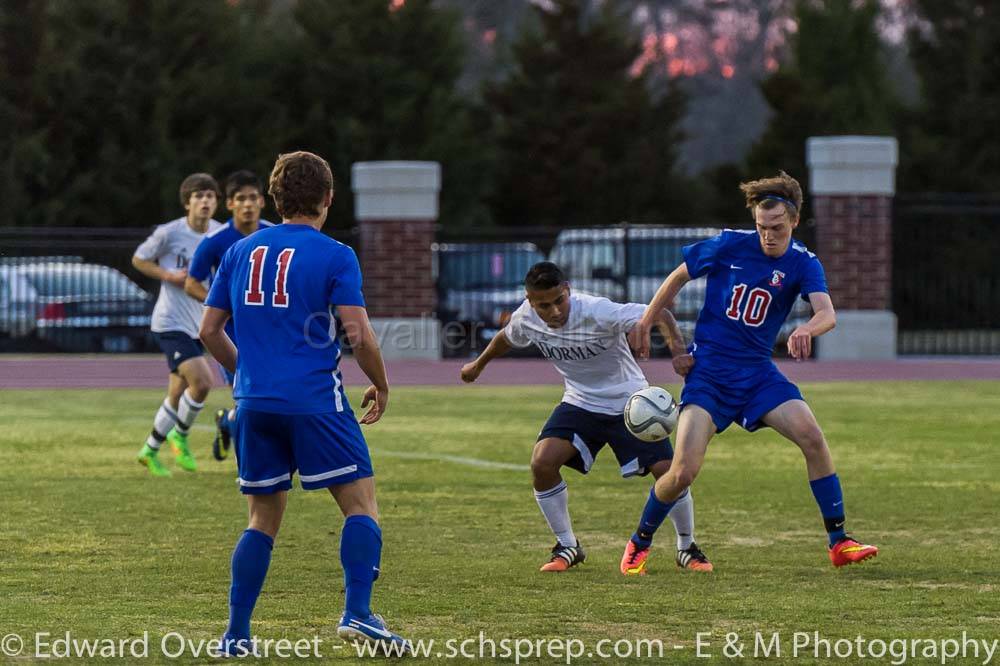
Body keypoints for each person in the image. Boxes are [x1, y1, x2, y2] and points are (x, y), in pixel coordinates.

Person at [200, 151, 409, 656]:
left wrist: (244, 372)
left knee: (261, 519)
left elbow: (208, 330)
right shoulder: (336, 254)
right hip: (315, 401)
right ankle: (358, 614)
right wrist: (381, 383)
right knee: (361, 505)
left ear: (274, 198)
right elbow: (357, 332)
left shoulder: (240, 251)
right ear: (328, 199)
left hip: (254, 403)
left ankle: (236, 635)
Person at [627, 171, 878, 568]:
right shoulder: (730, 244)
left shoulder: (803, 263)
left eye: (776, 227)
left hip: (759, 376)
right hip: (709, 375)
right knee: (683, 471)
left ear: (794, 222)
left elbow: (827, 313)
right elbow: (677, 277)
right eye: (762, 228)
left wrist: (806, 329)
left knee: (812, 437)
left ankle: (839, 541)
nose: (768, 236)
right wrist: (646, 321)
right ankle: (639, 542)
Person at [461, 262, 712, 575]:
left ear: (567, 290)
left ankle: (686, 547)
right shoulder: (526, 316)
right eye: (543, 305)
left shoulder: (597, 311)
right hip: (580, 402)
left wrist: (676, 350)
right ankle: (567, 545)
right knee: (542, 462)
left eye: (559, 301)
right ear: (529, 300)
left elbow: (661, 313)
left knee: (668, 472)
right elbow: (506, 337)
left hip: (629, 402)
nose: (553, 311)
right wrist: (478, 364)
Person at [132, 173, 223, 477]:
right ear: (188, 203)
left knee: (177, 391)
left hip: (199, 323)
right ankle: (180, 435)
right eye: (199, 196)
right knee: (203, 382)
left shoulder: (220, 235)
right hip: (170, 322)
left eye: (210, 196)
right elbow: (139, 259)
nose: (205, 201)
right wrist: (169, 275)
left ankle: (149, 449)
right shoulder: (169, 233)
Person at [185, 170, 274, 462]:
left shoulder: (274, 236)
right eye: (241, 199)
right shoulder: (215, 241)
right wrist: (224, 304)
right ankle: (247, 465)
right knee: (248, 397)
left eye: (253, 198)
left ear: (262, 201)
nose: (248, 204)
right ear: (231, 205)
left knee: (268, 395)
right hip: (230, 335)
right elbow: (191, 282)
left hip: (269, 333)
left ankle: (227, 422)